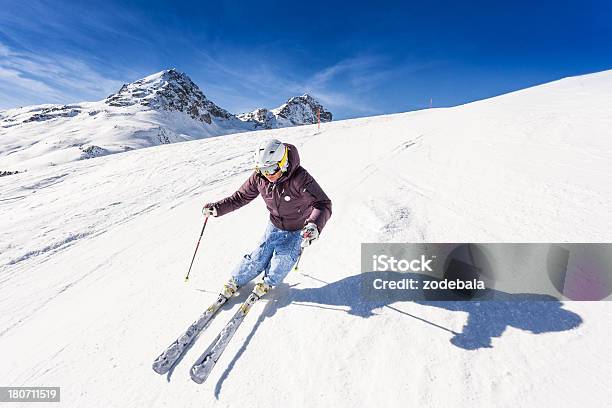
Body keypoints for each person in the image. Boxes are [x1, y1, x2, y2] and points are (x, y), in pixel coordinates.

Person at [202, 138, 332, 299]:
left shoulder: (300, 178)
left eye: (271, 169)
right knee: (259, 256)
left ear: (283, 162)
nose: (268, 174)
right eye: (263, 169)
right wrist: (217, 208)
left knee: (284, 257)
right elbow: (240, 197)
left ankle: (268, 282)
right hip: (275, 224)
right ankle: (236, 280)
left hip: (298, 228)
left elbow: (323, 203)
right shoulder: (260, 177)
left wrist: (314, 226)